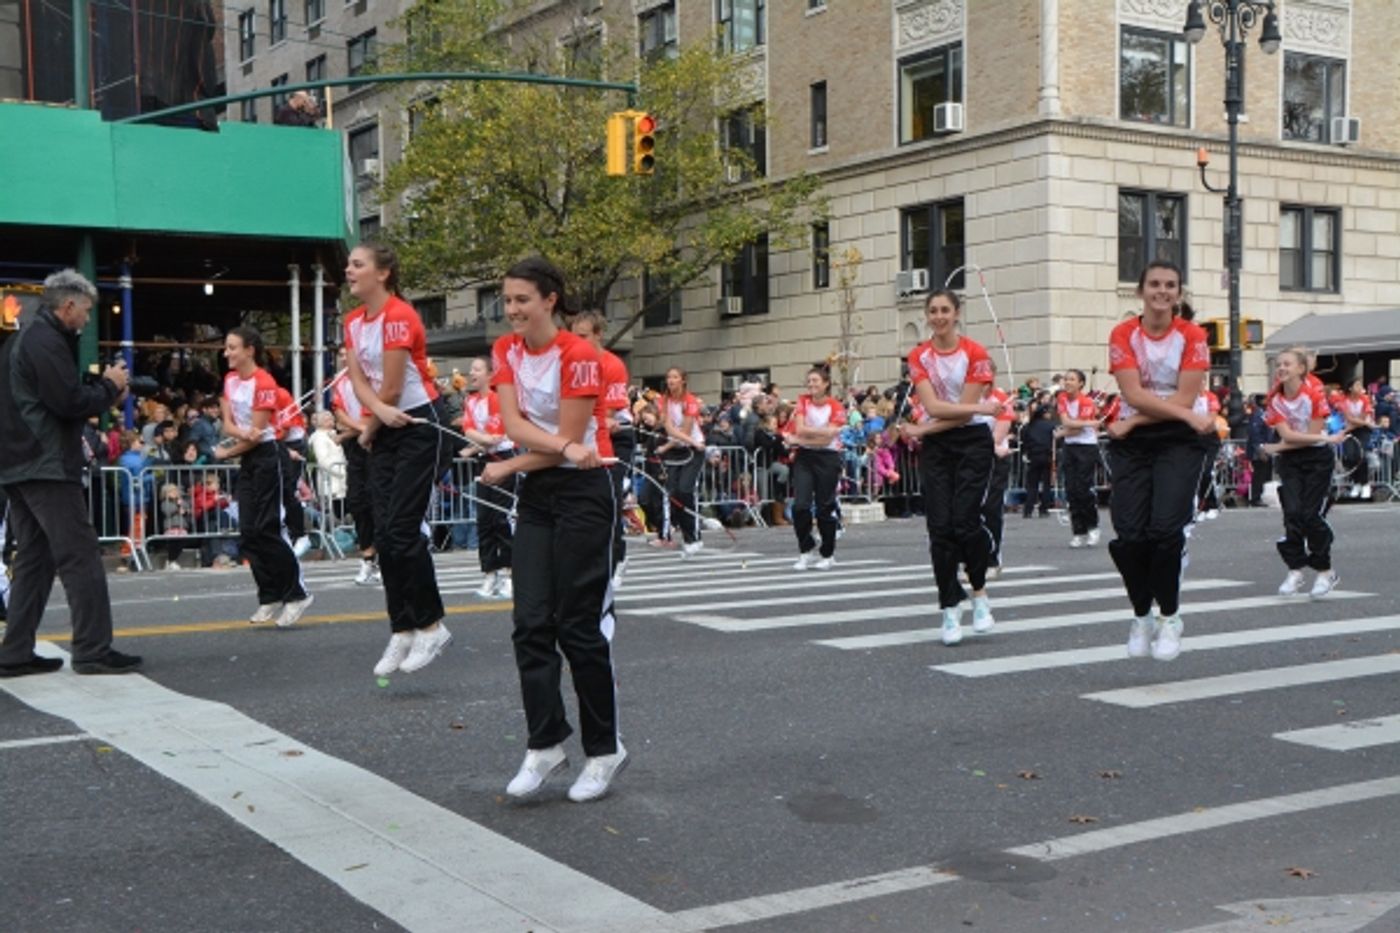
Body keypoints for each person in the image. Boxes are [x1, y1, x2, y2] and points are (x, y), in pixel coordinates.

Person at [478, 256, 626, 803]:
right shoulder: (506, 351)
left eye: (522, 299)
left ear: (549, 301)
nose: (512, 309)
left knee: (579, 628)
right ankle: (544, 743)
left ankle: (604, 751)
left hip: (586, 492)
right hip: (540, 493)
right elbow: (517, 425)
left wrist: (514, 464)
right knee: (530, 622)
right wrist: (557, 447)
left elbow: (561, 441)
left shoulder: (580, 355)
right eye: (507, 300)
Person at [0, 269, 143, 676]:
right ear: (68, 306)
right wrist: (110, 386)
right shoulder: (46, 341)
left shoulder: (22, 339)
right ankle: (92, 649)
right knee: (80, 554)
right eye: (86, 311)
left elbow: (53, 396)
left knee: (35, 557)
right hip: (45, 463)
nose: (87, 318)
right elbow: (68, 401)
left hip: (17, 463)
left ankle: (14, 652)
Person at [344, 242, 452, 677]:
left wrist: (370, 424)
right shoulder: (353, 321)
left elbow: (391, 387)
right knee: (383, 532)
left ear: (383, 272)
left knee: (403, 529)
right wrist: (376, 420)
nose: (349, 270)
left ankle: (432, 626)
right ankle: (402, 628)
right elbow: (357, 379)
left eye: (357, 264)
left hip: (420, 423)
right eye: (349, 264)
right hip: (387, 423)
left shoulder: (399, 315)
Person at [1104, 261, 1215, 662]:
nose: (1162, 291)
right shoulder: (1123, 333)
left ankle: (1169, 616)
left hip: (1179, 440)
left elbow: (1185, 397)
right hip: (1135, 442)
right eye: (1154, 284)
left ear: (1178, 293)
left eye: (1170, 285)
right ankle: (1141, 615)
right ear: (1141, 291)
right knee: (1129, 536)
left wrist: (1138, 418)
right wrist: (1139, 419)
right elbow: (1133, 393)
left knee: (1165, 531)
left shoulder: (1192, 335)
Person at [898, 289, 1003, 646]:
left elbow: (961, 414)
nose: (939, 316)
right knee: (940, 528)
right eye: (933, 311)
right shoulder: (919, 356)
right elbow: (935, 406)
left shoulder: (976, 353)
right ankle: (949, 606)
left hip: (972, 442)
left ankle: (980, 593)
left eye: (945, 310)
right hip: (939, 447)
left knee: (966, 522)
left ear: (957, 313)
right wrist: (974, 409)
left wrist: (922, 429)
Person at [212, 326, 314, 628]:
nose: (227, 353)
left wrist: (227, 452)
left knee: (268, 528)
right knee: (248, 530)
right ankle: (269, 595)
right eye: (226, 347)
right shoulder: (230, 380)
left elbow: (258, 435)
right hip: (249, 457)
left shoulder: (265, 383)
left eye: (232, 347)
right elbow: (229, 424)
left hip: (268, 456)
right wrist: (242, 434)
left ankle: (296, 594)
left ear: (249, 350)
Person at [1262, 349, 1343, 597]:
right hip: (1291, 460)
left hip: (1317, 459)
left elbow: (1311, 437)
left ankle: (1325, 570)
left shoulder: (1314, 394)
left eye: (1287, 364)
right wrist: (1284, 445)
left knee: (1310, 515)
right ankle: (1295, 569)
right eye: (1279, 364)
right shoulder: (1274, 398)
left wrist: (1278, 447)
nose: (1281, 368)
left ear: (1301, 368)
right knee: (1292, 514)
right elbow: (1288, 434)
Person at [570, 310, 634, 590]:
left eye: (583, 336)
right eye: (573, 336)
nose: (577, 342)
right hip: (588, 437)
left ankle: (617, 557)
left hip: (616, 439)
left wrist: (598, 420)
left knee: (609, 501)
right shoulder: (573, 364)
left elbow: (606, 411)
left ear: (598, 335)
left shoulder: (612, 364)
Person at [456, 356, 515, 599]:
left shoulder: (497, 398)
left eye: (477, 369)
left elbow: (495, 436)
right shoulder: (470, 401)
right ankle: (490, 573)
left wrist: (474, 442)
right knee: (484, 520)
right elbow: (468, 429)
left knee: (501, 518)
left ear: (490, 374)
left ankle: (510, 574)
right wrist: (477, 440)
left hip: (503, 459)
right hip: (484, 461)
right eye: (471, 369)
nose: (472, 373)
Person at [789, 366, 846, 570]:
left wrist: (801, 438)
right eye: (809, 381)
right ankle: (805, 549)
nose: (811, 384)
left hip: (828, 457)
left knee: (825, 506)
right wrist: (818, 432)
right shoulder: (803, 401)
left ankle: (827, 553)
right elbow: (800, 428)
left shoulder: (836, 406)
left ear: (826, 384)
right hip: (805, 457)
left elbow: (828, 439)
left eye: (815, 381)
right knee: (800, 505)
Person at [330, 354, 379, 586]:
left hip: (375, 443)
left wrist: (350, 432)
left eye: (346, 354)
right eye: (340, 355)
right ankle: (367, 555)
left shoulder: (370, 378)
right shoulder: (340, 382)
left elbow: (374, 414)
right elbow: (340, 414)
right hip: (355, 446)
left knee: (376, 499)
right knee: (357, 501)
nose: (343, 359)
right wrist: (358, 429)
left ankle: (380, 555)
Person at [658, 366, 706, 558]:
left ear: (683, 380)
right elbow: (670, 429)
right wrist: (667, 447)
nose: (671, 380)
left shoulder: (690, 401)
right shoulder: (663, 401)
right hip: (678, 449)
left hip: (694, 450)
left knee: (686, 491)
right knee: (674, 494)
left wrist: (692, 443)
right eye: (668, 377)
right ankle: (687, 537)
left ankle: (694, 537)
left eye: (675, 377)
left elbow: (684, 432)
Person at [1055, 368, 1102, 546]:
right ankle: (1078, 531)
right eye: (1066, 379)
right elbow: (1066, 421)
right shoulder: (1062, 398)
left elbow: (1077, 429)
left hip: (1086, 447)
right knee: (1071, 490)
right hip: (1070, 447)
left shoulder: (1086, 401)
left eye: (1072, 379)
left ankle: (1093, 527)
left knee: (1084, 489)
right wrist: (1084, 423)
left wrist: (1063, 432)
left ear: (1081, 384)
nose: (1067, 382)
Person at [982, 364, 1016, 577]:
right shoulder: (965, 400)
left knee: (991, 509)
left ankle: (992, 558)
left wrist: (990, 446)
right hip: (970, 460)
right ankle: (971, 557)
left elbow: (997, 437)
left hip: (994, 460)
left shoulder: (1002, 400)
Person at [1338, 378, 1376, 499]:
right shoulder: (1343, 401)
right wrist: (1350, 427)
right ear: (1350, 388)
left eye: (1361, 385)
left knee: (1361, 455)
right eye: (1357, 385)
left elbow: (1363, 417)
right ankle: (1356, 482)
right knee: (1349, 456)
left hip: (1362, 430)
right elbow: (1349, 418)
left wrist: (1362, 423)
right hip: (1349, 429)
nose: (1360, 388)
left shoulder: (1365, 399)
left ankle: (1365, 484)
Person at [1019, 402, 1056, 518]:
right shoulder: (1051, 426)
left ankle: (1028, 509)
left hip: (1033, 456)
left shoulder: (1028, 426)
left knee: (1032, 484)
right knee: (1046, 484)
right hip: (1047, 455)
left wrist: (1026, 452)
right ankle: (1044, 509)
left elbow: (1023, 441)